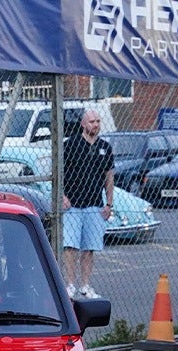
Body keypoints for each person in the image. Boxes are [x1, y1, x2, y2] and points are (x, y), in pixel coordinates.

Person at [59, 108, 115, 299]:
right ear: (83, 124)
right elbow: (58, 173)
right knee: (70, 246)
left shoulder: (105, 147)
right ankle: (70, 284)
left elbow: (109, 176)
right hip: (73, 205)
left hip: (94, 205)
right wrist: (62, 196)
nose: (95, 125)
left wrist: (109, 203)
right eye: (92, 121)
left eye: (98, 121)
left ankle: (85, 284)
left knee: (89, 248)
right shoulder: (71, 145)